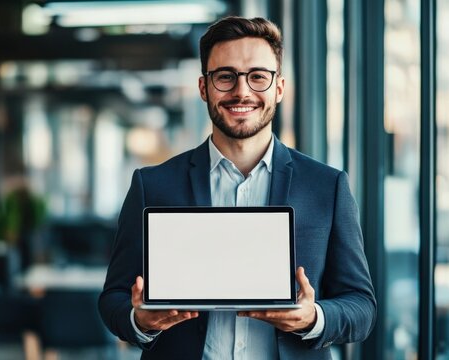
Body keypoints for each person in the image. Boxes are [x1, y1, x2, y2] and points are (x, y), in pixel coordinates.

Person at [98, 16, 376, 359]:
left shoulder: (327, 186)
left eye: (258, 76)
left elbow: (362, 307)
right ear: (204, 87)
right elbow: (112, 299)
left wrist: (313, 318)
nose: (241, 91)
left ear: (279, 88)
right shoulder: (152, 184)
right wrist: (140, 320)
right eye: (225, 77)